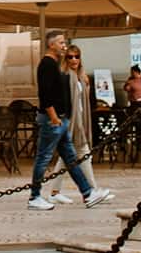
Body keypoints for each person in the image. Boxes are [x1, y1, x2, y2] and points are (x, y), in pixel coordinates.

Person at [29, 31, 112, 211]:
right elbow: (45, 94)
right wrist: (53, 117)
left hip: (61, 119)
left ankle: (88, 193)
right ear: (51, 45)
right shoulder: (47, 65)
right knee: (43, 158)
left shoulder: (55, 65)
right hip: (53, 120)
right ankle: (34, 196)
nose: (64, 45)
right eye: (60, 43)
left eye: (64, 42)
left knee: (71, 158)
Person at [65, 44, 94, 158]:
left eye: (77, 56)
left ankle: (59, 176)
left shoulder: (83, 77)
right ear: (66, 59)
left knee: (69, 155)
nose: (74, 59)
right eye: (70, 57)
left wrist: (87, 85)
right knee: (83, 151)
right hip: (72, 119)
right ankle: (87, 176)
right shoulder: (66, 76)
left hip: (82, 116)